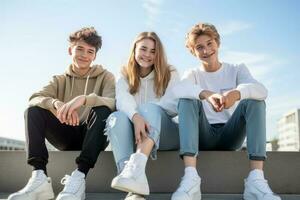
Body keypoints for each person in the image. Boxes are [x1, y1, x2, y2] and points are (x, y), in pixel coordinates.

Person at [170, 23, 281, 200]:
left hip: (231, 134)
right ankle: (190, 179)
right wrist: (205, 94)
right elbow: (176, 91)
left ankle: (256, 180)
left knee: (255, 101)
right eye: (199, 47)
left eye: (210, 43)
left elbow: (262, 91)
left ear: (217, 43)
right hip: (203, 135)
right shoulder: (193, 74)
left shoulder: (237, 69)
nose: (206, 50)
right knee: (186, 98)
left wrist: (236, 94)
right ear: (193, 51)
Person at [8, 27, 115, 200]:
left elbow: (113, 102)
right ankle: (39, 177)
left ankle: (79, 177)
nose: (84, 55)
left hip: (94, 135)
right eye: (79, 49)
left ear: (94, 56)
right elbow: (34, 98)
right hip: (65, 136)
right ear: (70, 50)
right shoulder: (59, 79)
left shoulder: (106, 77)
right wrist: (56, 103)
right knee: (33, 111)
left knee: (103, 109)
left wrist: (84, 99)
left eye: (90, 51)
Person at [105, 31, 179, 200]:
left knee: (150, 108)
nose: (147, 55)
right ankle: (133, 188)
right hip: (135, 132)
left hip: (166, 133)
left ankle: (136, 165)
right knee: (115, 117)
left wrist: (145, 115)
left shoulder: (170, 72)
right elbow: (122, 100)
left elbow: (173, 104)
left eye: (153, 51)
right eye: (143, 49)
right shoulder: (124, 73)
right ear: (135, 49)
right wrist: (136, 117)